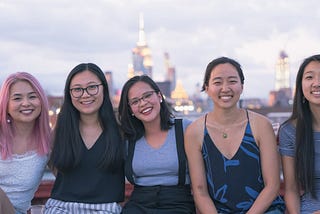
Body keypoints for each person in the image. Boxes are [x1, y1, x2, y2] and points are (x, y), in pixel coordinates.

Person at [185, 57, 285, 213]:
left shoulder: (261, 125)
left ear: (242, 86)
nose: (225, 88)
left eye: (232, 81)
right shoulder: (194, 132)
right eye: (217, 82)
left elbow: (272, 185)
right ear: (207, 87)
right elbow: (200, 191)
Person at [44, 63, 124, 214]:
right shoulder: (61, 128)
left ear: (104, 89)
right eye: (77, 89)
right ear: (69, 93)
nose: (85, 94)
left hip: (106, 209)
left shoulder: (120, 127)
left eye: (92, 87)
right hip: (61, 207)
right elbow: (53, 163)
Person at [118, 75, 196, 213]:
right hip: (139, 204)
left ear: (159, 96)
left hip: (178, 203)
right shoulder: (128, 138)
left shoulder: (184, 129)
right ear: (130, 110)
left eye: (147, 96)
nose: (143, 103)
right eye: (135, 101)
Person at [0, 72, 51, 214]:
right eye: (17, 98)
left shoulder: (49, 141)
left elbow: (68, 178)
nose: (26, 103)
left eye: (32, 96)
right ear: (6, 104)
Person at [278, 54, 320, 213]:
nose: (317, 83)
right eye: (310, 77)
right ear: (301, 86)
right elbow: (291, 189)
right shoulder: (289, 131)